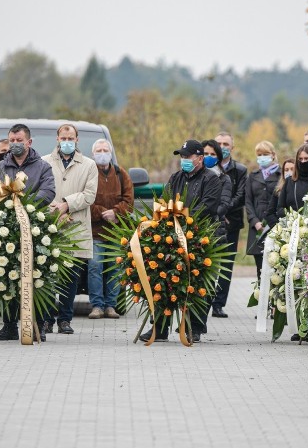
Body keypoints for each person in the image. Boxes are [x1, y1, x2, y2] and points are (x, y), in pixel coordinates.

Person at [139, 140, 222, 343]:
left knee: (196, 284)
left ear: (200, 158)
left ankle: (194, 328)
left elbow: (207, 207)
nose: (183, 160)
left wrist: (180, 216)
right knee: (165, 280)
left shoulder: (211, 179)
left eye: (187, 156)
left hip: (199, 238)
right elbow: (165, 200)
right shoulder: (176, 177)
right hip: (172, 236)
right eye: (182, 156)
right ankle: (160, 327)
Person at [0, 123, 57, 341]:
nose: (15, 144)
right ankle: (9, 326)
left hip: (35, 227)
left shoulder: (42, 166)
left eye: (19, 140)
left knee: (37, 277)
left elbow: (48, 192)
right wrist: (7, 204)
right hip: (6, 229)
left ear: (29, 142)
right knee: (7, 274)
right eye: (12, 140)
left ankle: (39, 325)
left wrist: (22, 201)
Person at [41, 123, 98, 335]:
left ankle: (65, 319)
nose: (67, 141)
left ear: (77, 140)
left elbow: (89, 195)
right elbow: (40, 191)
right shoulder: (44, 162)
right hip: (50, 226)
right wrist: (55, 211)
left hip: (76, 226)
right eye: (63, 138)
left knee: (70, 276)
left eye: (70, 138)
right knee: (47, 273)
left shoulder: (89, 165)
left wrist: (67, 204)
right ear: (57, 139)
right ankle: (46, 318)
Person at [88, 138, 134, 320]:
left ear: (111, 152)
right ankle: (97, 306)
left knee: (115, 268)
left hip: (116, 232)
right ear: (93, 154)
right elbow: (84, 199)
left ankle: (111, 306)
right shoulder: (88, 173)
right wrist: (101, 213)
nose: (102, 153)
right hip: (94, 231)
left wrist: (115, 212)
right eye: (98, 150)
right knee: (95, 267)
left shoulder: (121, 174)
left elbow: (129, 202)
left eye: (105, 150)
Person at [211, 132, 248, 319]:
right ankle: (205, 299)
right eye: (219, 143)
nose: (222, 146)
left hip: (231, 222)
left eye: (226, 143)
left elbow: (241, 195)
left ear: (232, 147)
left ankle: (218, 304)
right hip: (209, 221)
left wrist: (223, 211)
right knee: (209, 262)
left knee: (226, 264)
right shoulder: (207, 167)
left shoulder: (240, 170)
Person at [244, 141, 281, 281]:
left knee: (276, 267)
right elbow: (248, 201)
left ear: (273, 155)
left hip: (275, 225)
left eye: (265, 154)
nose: (262, 157)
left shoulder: (281, 174)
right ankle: (262, 300)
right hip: (257, 227)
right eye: (259, 155)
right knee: (260, 270)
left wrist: (274, 222)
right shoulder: (253, 176)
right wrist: (255, 221)